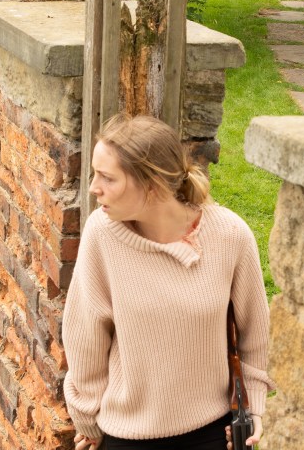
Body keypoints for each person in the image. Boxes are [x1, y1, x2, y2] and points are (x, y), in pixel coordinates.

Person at [63, 115, 273, 450]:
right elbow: (86, 336)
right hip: (126, 435)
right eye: (94, 173)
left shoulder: (231, 235)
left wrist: (254, 407)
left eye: (107, 177)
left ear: (152, 184)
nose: (93, 187)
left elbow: (255, 333)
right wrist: (87, 417)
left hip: (214, 434)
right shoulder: (101, 233)